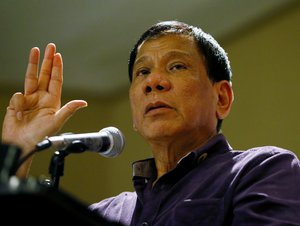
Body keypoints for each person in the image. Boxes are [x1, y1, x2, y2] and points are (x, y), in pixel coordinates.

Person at [2, 21, 300, 225]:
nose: (153, 82)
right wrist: (17, 151)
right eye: (142, 72)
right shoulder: (105, 213)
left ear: (221, 98)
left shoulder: (261, 170)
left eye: (177, 66)